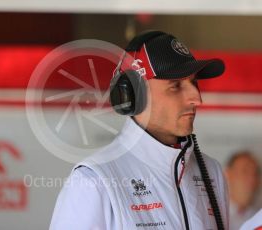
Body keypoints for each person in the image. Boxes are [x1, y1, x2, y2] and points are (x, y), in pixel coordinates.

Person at [50, 30, 229, 230]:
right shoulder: (95, 180)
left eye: (193, 82)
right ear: (133, 95)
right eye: (176, 85)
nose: (196, 98)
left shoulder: (211, 172)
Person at [225, 151, 261, 230]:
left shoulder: (258, 218)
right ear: (227, 174)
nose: (252, 179)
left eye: (255, 173)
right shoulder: (212, 215)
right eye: (245, 171)